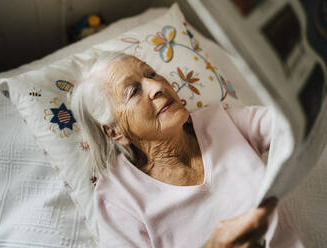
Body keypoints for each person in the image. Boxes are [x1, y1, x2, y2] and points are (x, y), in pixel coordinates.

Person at [71, 51, 304, 247]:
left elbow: (296, 120)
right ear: (115, 132)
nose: (157, 86)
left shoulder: (220, 120)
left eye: (151, 74)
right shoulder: (118, 198)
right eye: (133, 91)